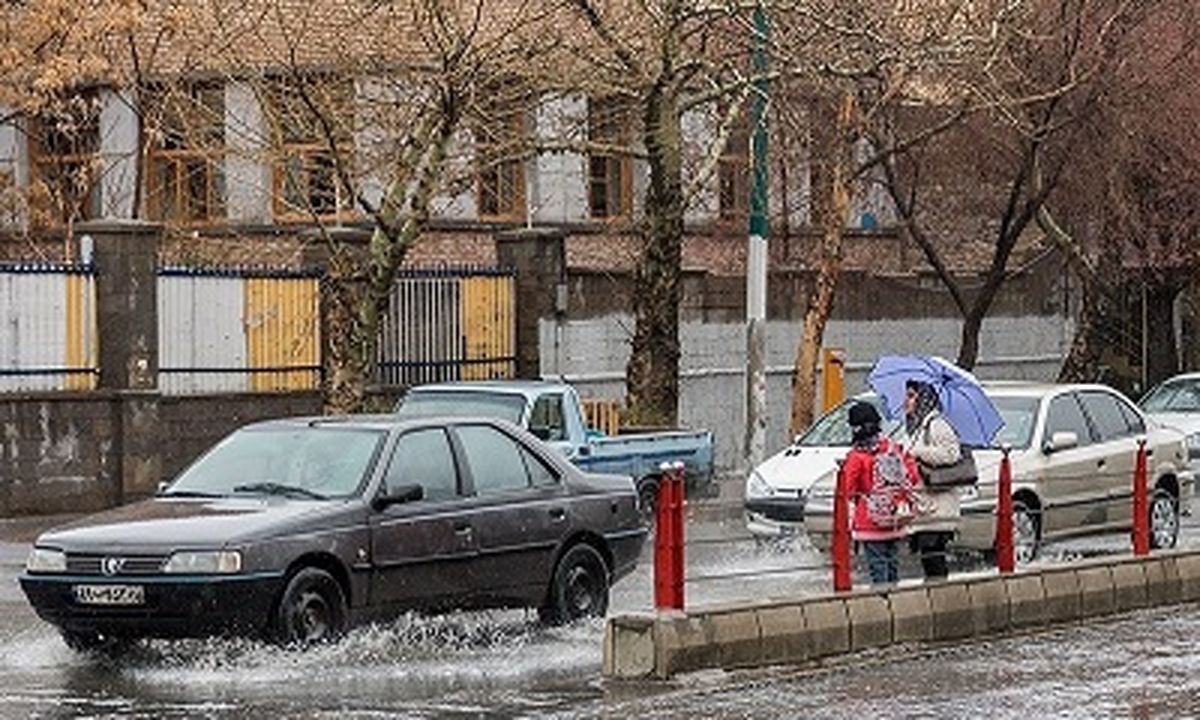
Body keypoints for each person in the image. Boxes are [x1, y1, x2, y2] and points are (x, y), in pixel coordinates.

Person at [843, 401, 921, 586]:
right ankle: (894, 597)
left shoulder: (856, 457)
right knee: (892, 560)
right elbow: (912, 476)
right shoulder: (893, 449)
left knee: (877, 564)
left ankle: (882, 599)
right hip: (895, 515)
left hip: (870, 520)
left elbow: (847, 488)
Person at [903, 380, 963, 581]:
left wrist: (917, 452)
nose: (906, 401)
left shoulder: (937, 424)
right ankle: (937, 594)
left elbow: (951, 454)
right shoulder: (917, 426)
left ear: (924, 399)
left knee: (934, 557)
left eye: (911, 396)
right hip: (925, 504)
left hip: (938, 504)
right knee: (929, 557)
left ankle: (941, 596)